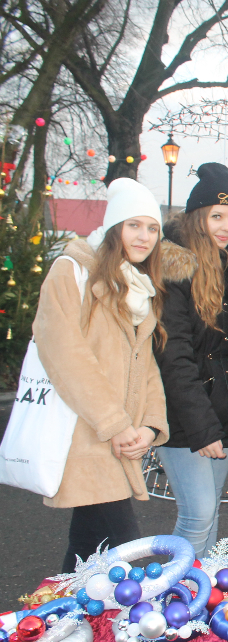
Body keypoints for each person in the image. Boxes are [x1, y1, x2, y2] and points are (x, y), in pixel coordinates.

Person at [33, 178, 169, 571]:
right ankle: (146, 631)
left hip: (119, 440)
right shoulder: (72, 272)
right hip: (87, 433)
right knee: (131, 554)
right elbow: (64, 354)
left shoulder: (140, 288)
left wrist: (149, 425)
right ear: (114, 228)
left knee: (87, 553)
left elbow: (146, 367)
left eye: (152, 228)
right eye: (134, 225)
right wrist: (115, 423)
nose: (144, 237)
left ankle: (51, 625)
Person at [155, 163, 228, 557]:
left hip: (220, 413)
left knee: (209, 516)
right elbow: (173, 357)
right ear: (196, 218)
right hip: (186, 418)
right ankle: (169, 601)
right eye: (216, 216)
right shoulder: (173, 270)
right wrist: (202, 428)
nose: (226, 226)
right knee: (197, 515)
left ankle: (199, 598)